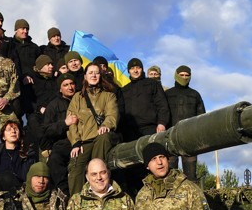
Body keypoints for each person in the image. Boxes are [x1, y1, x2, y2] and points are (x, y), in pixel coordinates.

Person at [119, 57, 171, 193]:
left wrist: (162, 123)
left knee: (154, 164)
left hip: (150, 129)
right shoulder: (124, 90)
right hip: (131, 132)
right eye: (132, 68)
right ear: (129, 71)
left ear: (142, 69)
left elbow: (162, 105)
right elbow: (121, 112)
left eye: (138, 67)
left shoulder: (152, 84)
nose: (135, 70)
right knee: (134, 168)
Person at [66, 62, 118, 194]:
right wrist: (76, 142)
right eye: (91, 72)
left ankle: (99, 191)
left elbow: (112, 115)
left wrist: (106, 125)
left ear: (100, 76)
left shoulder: (108, 95)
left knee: (103, 139)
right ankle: (76, 203)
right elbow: (72, 122)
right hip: (84, 140)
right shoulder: (78, 97)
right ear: (85, 76)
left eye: (97, 73)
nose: (94, 75)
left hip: (101, 138)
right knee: (76, 166)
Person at [165, 65, 206, 182]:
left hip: (190, 138)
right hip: (170, 138)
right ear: (176, 75)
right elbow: (162, 114)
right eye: (181, 75)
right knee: (170, 175)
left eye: (187, 75)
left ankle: (192, 199)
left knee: (191, 176)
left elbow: (202, 117)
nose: (184, 77)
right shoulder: (168, 94)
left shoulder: (195, 95)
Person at [41, 73, 77, 194]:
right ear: (60, 88)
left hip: (82, 140)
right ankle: (64, 193)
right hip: (63, 143)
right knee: (55, 161)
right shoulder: (54, 105)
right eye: (65, 85)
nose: (70, 87)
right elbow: (47, 130)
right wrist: (65, 123)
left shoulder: (82, 100)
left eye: (72, 83)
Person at [0, 118, 36, 192]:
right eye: (9, 129)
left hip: (21, 191)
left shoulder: (28, 154)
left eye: (16, 129)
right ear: (3, 137)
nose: (13, 131)